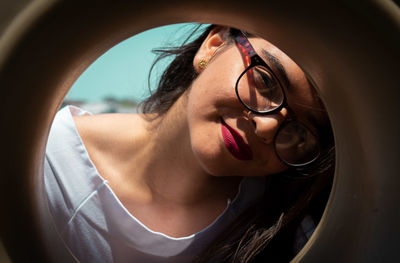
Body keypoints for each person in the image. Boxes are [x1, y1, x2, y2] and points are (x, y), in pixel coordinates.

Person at [44, 24, 335, 263]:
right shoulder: (44, 162)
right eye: (265, 81)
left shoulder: (288, 233)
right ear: (213, 45)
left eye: (300, 132)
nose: (267, 126)